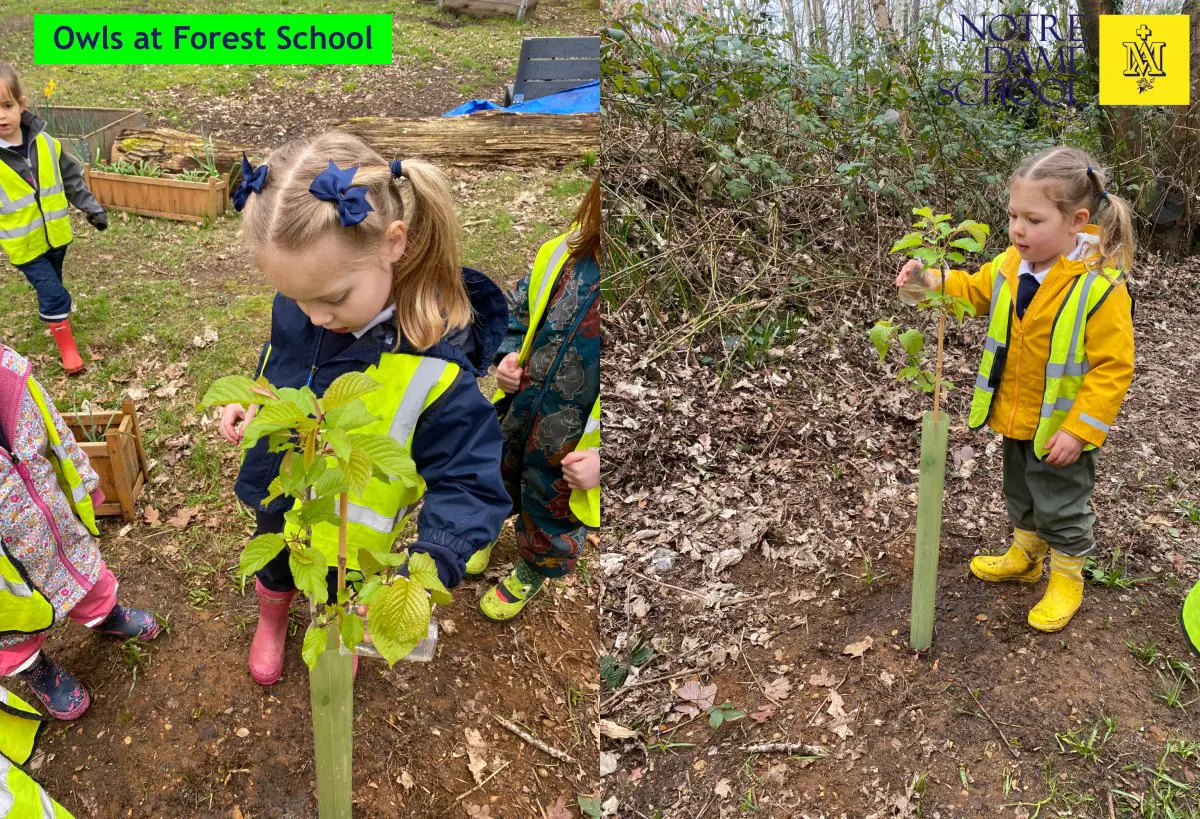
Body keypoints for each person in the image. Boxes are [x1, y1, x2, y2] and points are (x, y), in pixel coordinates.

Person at [218, 133, 510, 684]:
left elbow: (469, 478)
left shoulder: (435, 367)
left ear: (392, 244)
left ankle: (338, 629)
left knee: (339, 586)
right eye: (295, 298)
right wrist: (255, 396)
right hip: (285, 486)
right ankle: (272, 616)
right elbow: (285, 357)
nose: (315, 317)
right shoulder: (310, 297)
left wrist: (434, 560)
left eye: (332, 299)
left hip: (354, 526)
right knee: (276, 556)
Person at [895, 146, 1135, 633]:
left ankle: (1066, 577)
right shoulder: (1010, 266)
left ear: (1077, 221)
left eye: (1033, 219)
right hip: (1014, 413)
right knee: (1020, 490)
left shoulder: (1100, 286)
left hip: (1061, 428)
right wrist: (929, 280)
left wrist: (1080, 429)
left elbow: (1113, 368)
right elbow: (971, 290)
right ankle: (1025, 556)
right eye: (1013, 216)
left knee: (1061, 502)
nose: (1018, 230)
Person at [467, 175, 601, 622]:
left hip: (573, 444)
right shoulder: (565, 252)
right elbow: (519, 311)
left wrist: (604, 459)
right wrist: (507, 356)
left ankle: (533, 565)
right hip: (520, 410)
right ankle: (488, 529)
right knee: (498, 472)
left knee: (551, 504)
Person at [0, 345, 158, 719]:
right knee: (13, 622)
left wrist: (85, 482)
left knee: (86, 573)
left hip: (53, 524)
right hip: (5, 566)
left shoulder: (10, 371)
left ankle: (106, 615)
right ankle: (35, 667)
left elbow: (56, 431)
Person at [0, 63, 108, 375]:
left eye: (6, 105)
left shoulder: (47, 143)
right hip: (24, 246)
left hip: (57, 236)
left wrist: (92, 208)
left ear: (21, 105)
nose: (1, 116)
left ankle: (53, 312)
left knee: (53, 284)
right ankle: (67, 348)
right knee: (54, 294)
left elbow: (72, 180)